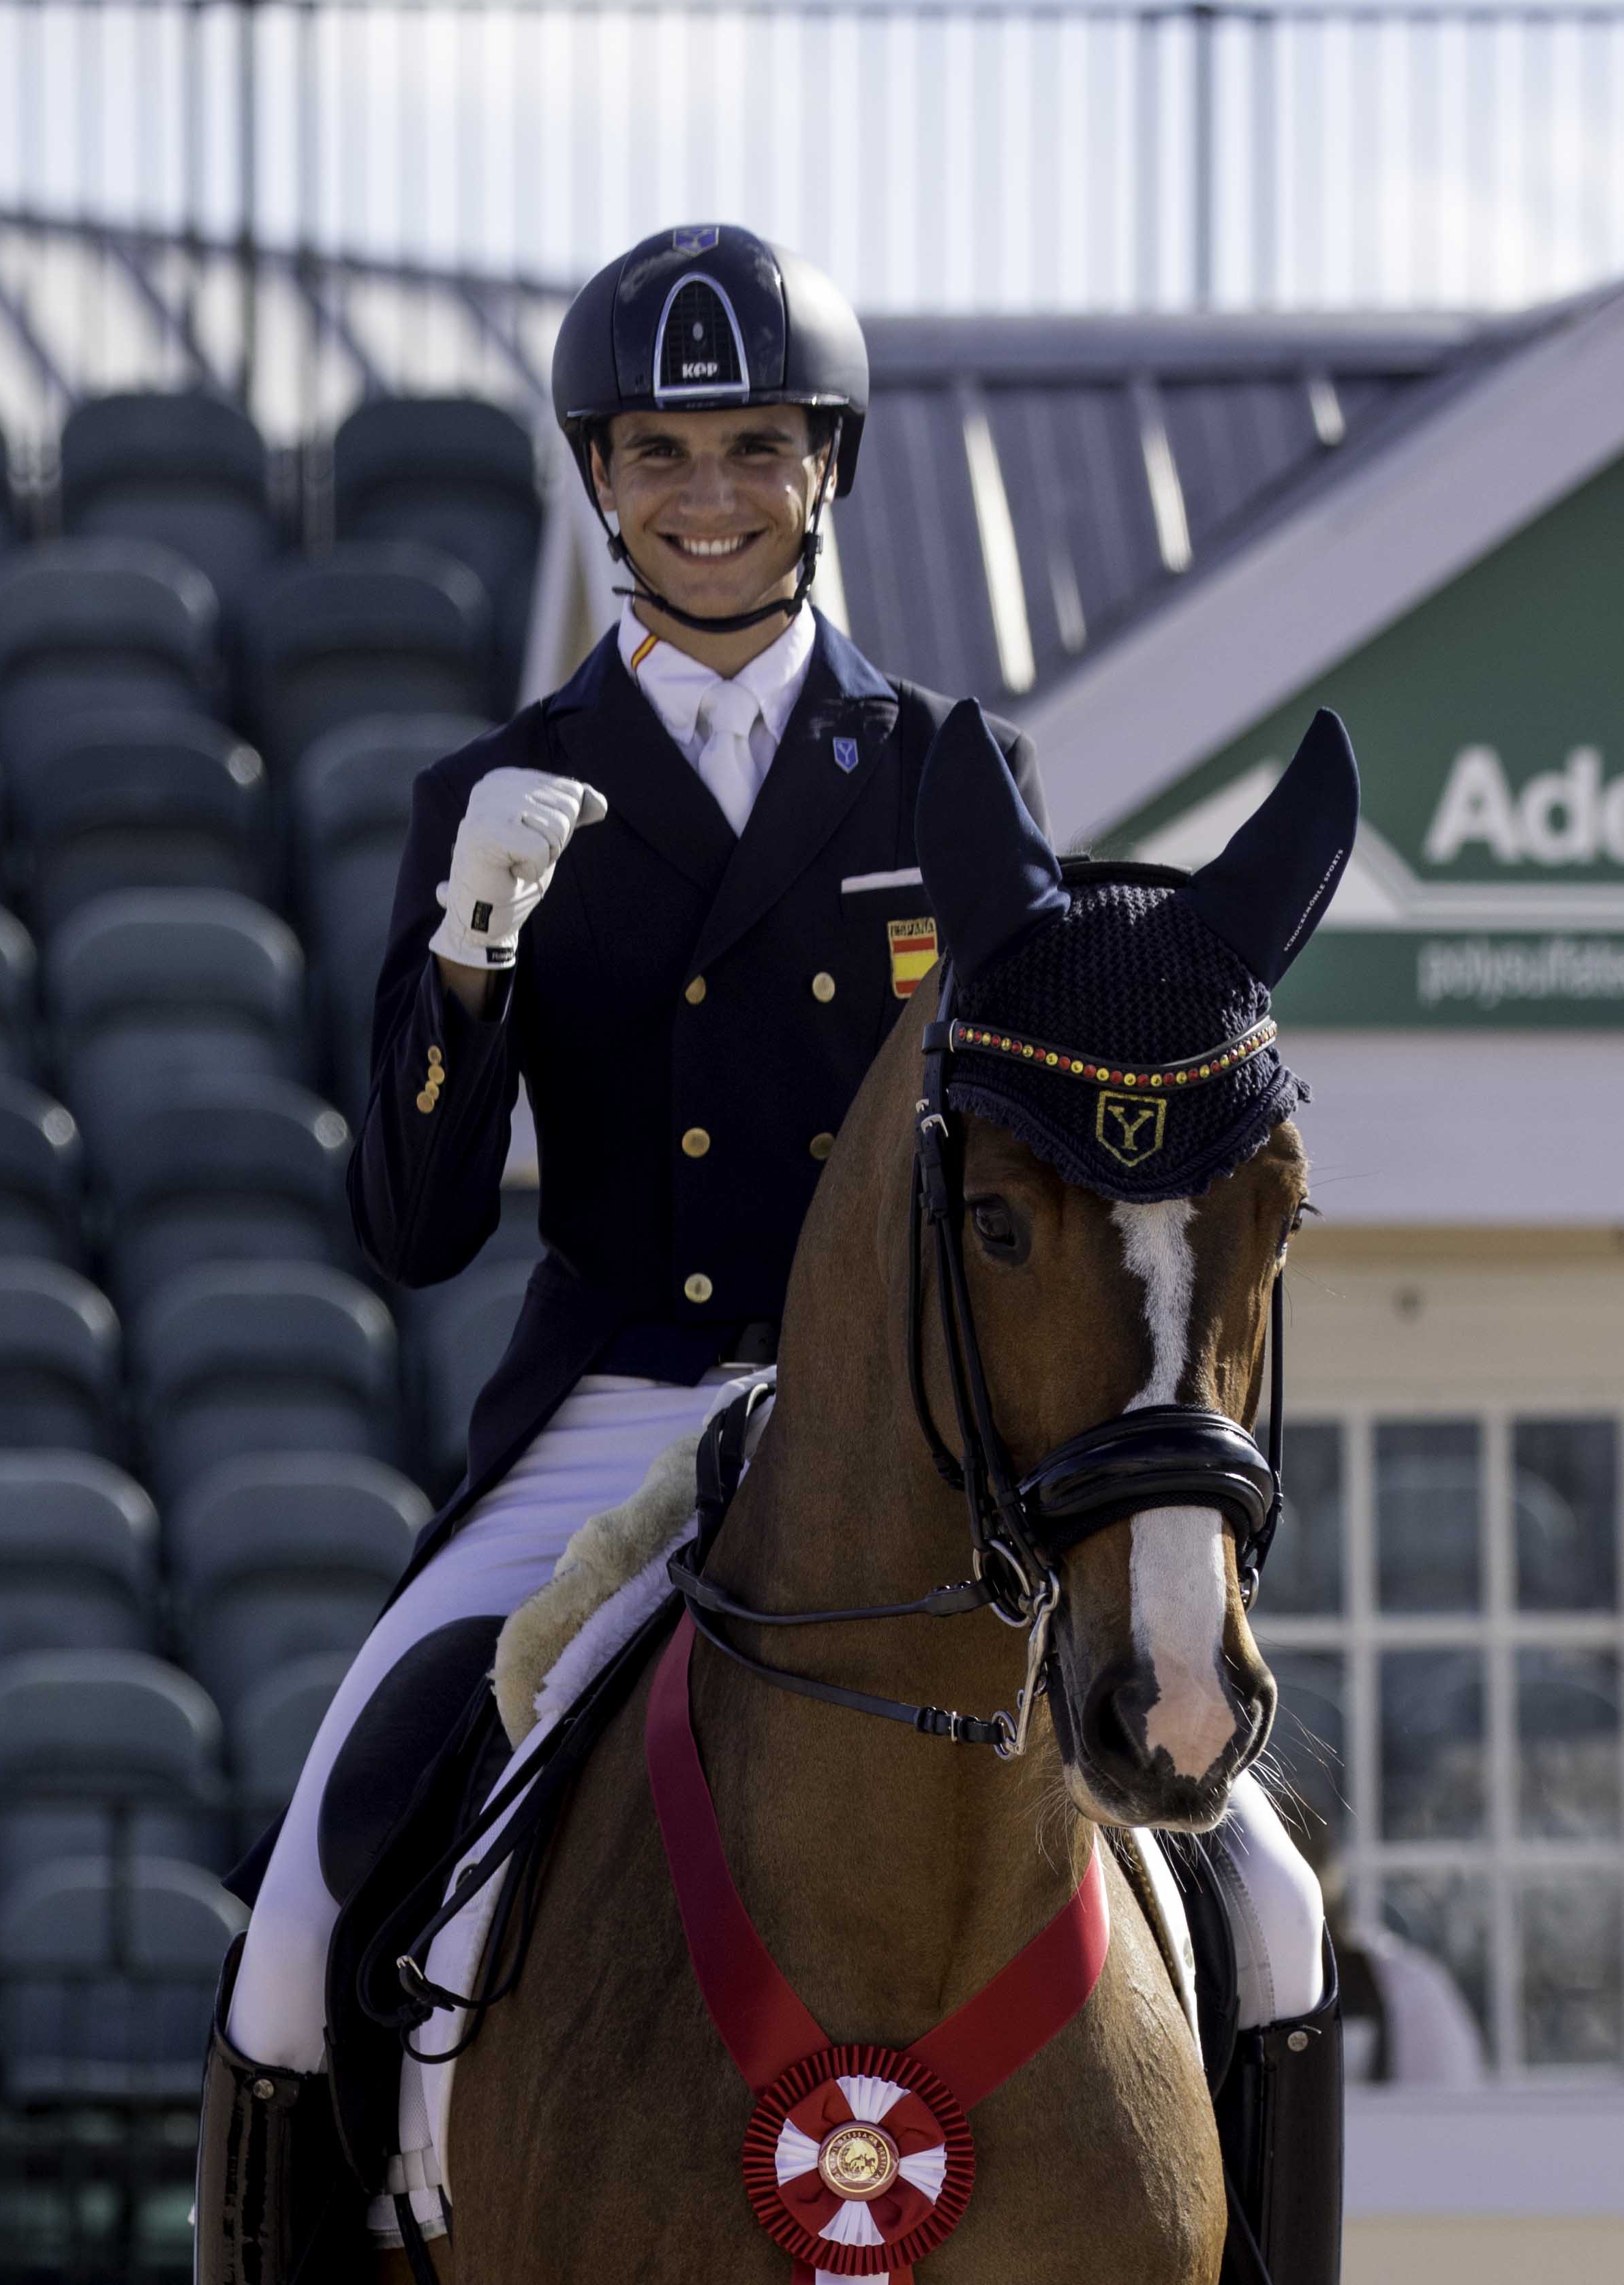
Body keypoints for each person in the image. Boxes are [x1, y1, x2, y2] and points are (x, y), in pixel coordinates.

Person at [194, 224, 1322, 2285]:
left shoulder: (949, 782)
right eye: (659, 453)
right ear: (598, 478)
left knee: (1268, 1908)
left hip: (905, 1410)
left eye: (753, 449)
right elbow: (417, 1223)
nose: (707, 497)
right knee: (305, 1905)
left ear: (826, 470)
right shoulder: (497, 793)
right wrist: (463, 964)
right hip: (613, 1393)